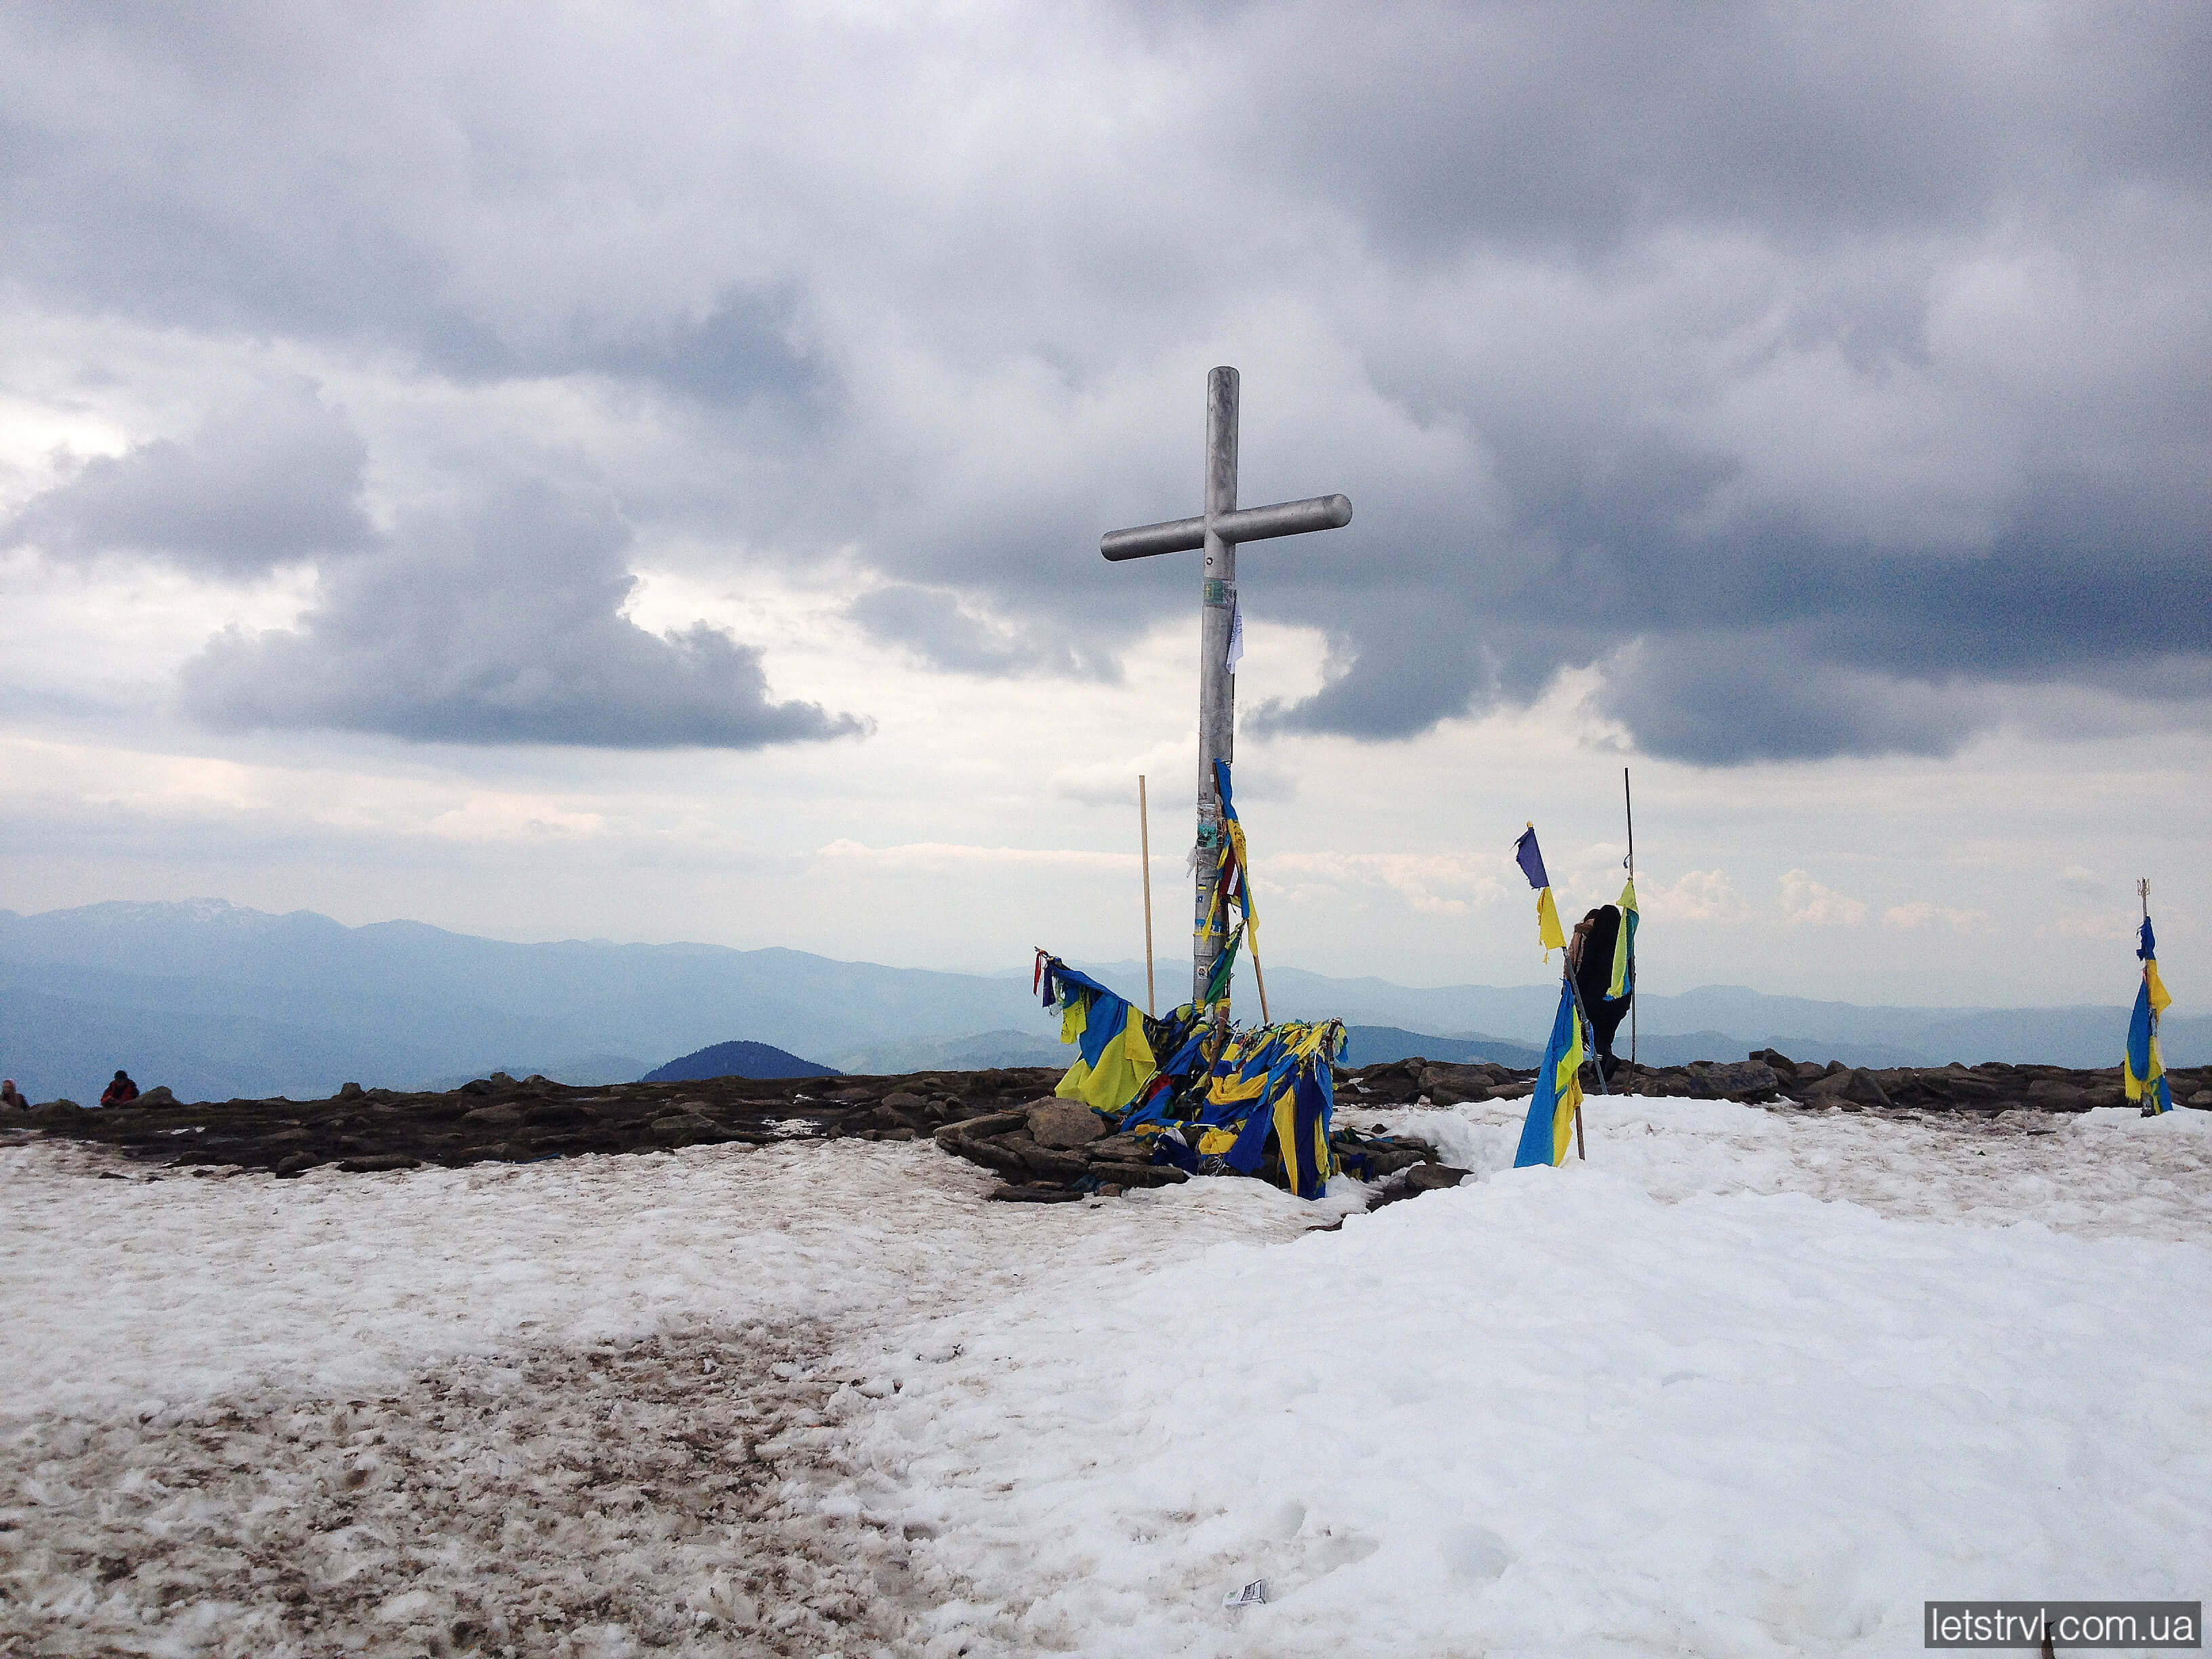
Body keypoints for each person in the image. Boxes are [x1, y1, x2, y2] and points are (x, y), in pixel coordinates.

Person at [1567, 907, 1633, 1082]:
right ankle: (1602, 1070)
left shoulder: (1595, 940)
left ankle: (1604, 1063)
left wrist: (1574, 990)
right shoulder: (1624, 946)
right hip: (1619, 1001)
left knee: (1590, 1034)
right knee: (1606, 1036)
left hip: (1595, 1000)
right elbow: (1630, 974)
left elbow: (1586, 969)